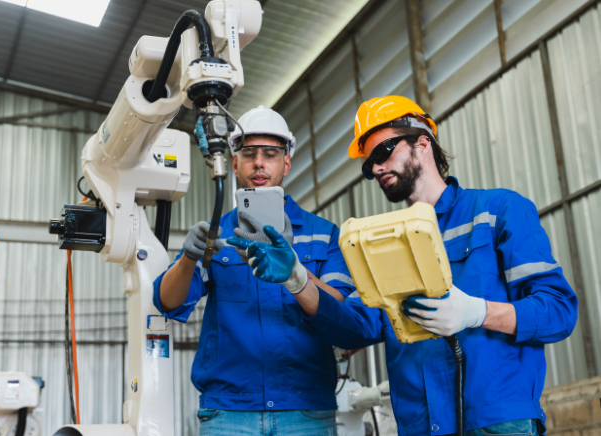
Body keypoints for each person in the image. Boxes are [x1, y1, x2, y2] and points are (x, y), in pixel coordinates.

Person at [228, 96, 578, 436]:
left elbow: (558, 311)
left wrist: (477, 312)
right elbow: (356, 326)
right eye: (369, 165)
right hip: (420, 425)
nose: (376, 168)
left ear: (422, 144)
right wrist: (299, 279)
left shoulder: (496, 211)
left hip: (497, 423)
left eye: (383, 152)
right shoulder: (382, 242)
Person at [153, 105, 355, 436]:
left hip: (305, 410)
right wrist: (188, 258)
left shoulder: (323, 233)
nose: (259, 162)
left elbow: (343, 312)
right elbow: (169, 302)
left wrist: (296, 271)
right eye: (249, 153)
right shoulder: (217, 235)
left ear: (286, 163)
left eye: (271, 153)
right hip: (230, 413)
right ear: (234, 162)